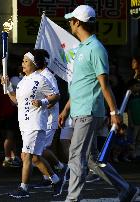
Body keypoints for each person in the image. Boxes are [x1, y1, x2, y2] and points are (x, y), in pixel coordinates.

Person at [58, 5, 139, 202]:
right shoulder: (82, 48)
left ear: (77, 22)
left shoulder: (95, 48)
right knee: (92, 160)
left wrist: (114, 112)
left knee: (76, 156)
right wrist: (66, 108)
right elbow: (81, 83)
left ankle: (72, 198)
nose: (69, 23)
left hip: (89, 110)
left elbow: (104, 85)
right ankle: (126, 189)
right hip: (80, 110)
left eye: (71, 20)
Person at [2, 50, 63, 198]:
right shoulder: (22, 81)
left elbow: (56, 96)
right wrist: (8, 86)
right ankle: (56, 179)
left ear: (34, 64)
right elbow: (16, 101)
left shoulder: (41, 79)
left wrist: (42, 102)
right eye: (22, 61)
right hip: (24, 124)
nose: (22, 64)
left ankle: (24, 188)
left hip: (36, 124)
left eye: (26, 61)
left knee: (26, 156)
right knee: (35, 157)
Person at [34, 49, 69, 189]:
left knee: (40, 149)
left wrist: (47, 104)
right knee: (38, 150)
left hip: (49, 118)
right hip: (39, 118)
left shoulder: (48, 76)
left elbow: (56, 95)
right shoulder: (36, 75)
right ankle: (48, 177)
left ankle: (61, 167)